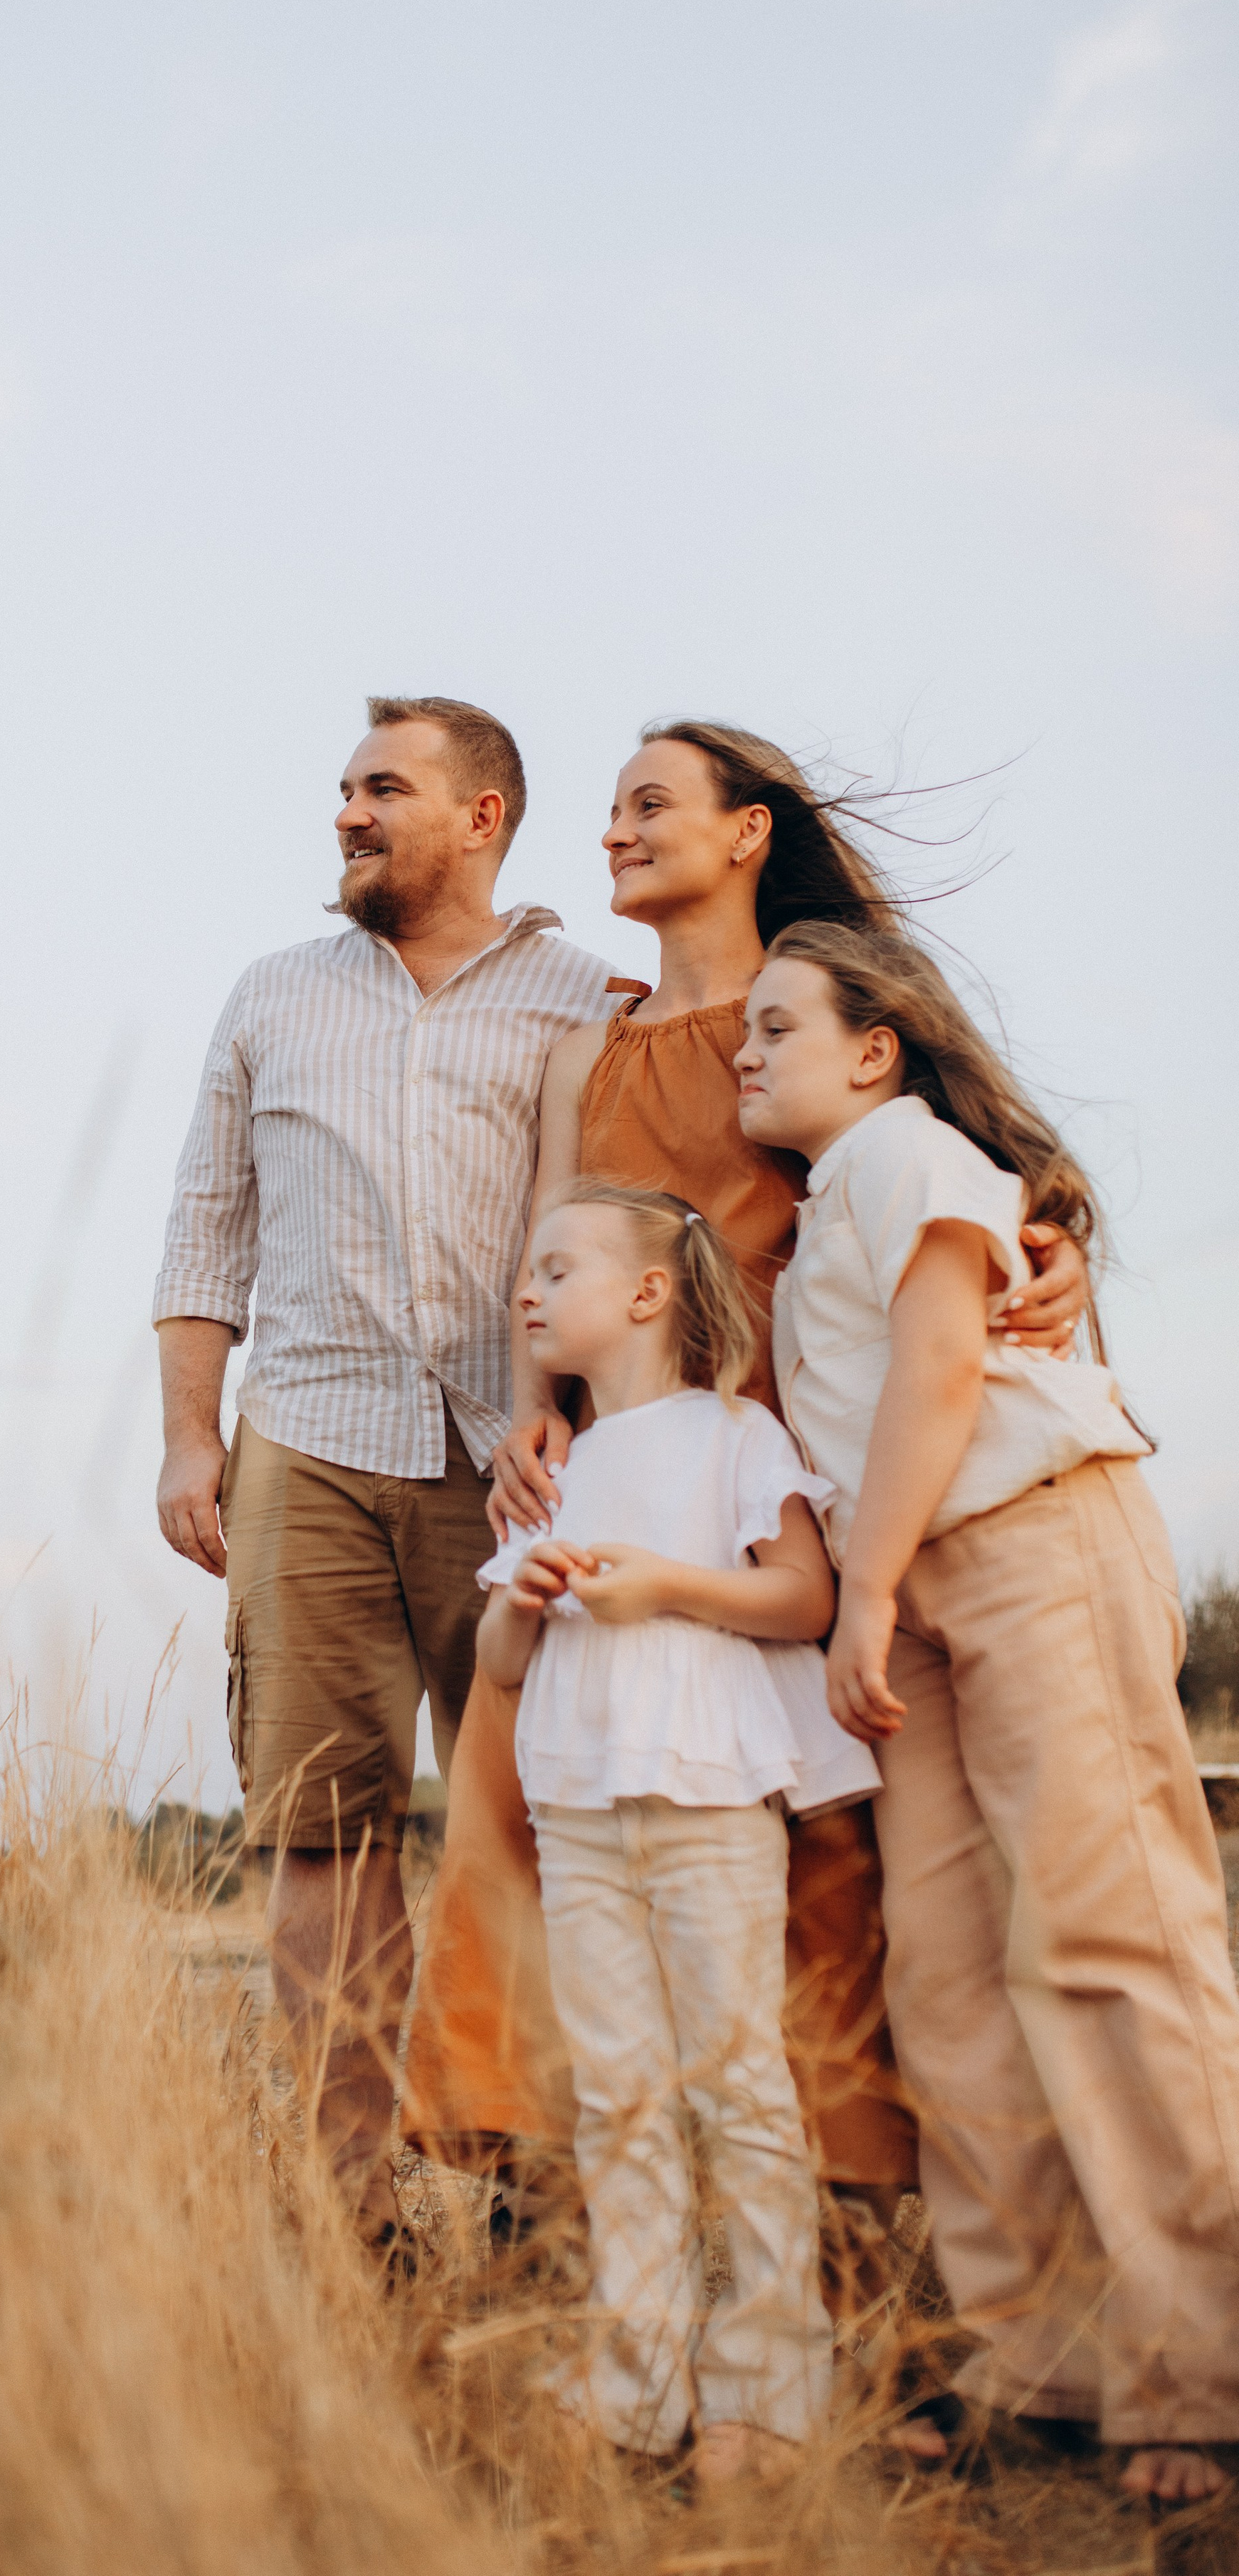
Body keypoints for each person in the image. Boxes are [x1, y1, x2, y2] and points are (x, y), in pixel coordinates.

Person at [405, 720, 1088, 2274]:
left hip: (783, 1472)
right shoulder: (589, 1041)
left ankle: (848, 2264)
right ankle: (577, 2227)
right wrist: (531, 1421)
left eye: (650, 805)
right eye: (608, 811)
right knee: (532, 1818)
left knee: (819, 1863)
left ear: (745, 832)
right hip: (610, 1470)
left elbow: (989, 1173)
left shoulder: (824, 1011)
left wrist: (1054, 1249)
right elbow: (553, 1240)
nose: (613, 833)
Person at [737, 918, 1239, 2504]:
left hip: (1026, 1546)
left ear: (870, 1049)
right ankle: (1045, 2361)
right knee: (949, 1976)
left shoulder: (907, 1150)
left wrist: (863, 1589)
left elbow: (942, 1369)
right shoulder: (824, 1211)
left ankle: (1201, 2362)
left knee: (1107, 1938)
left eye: (774, 1029)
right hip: (925, 1593)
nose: (742, 1056)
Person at [153, 695, 611, 2245]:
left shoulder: (578, 997)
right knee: (316, 1833)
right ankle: (350, 2213)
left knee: (544, 1823)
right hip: (309, 1453)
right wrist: (184, 1438)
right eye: (343, 790)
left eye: (381, 789)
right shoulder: (270, 996)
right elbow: (204, 1227)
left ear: (480, 816)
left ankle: (540, 2200)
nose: (346, 813)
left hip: (522, 1466)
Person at [476, 1177, 877, 2478]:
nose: (525, 1293)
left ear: (646, 1294)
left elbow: (804, 1597)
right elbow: (495, 1664)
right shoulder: (558, 1467)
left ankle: (768, 2394)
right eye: (527, 1274)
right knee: (620, 2101)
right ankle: (636, 2382)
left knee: (739, 2085)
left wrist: (661, 1589)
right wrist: (526, 1599)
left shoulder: (733, 1437)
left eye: (554, 1269)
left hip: (710, 1801)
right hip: (579, 1813)